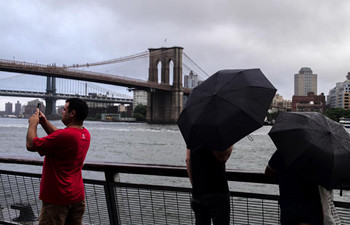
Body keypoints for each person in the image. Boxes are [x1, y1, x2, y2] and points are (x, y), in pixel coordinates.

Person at [26, 98, 91, 225]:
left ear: (72, 113)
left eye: (64, 109)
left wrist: (32, 124)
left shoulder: (64, 136)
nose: (61, 111)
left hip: (57, 199)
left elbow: (31, 145)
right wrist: (44, 123)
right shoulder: (85, 133)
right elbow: (60, 136)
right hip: (77, 197)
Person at [265, 150, 323, 225]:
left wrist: (282, 176)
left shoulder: (282, 151)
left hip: (287, 203)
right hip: (310, 206)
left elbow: (268, 172)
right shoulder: (316, 153)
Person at [186, 145, 233, 225]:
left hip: (198, 193)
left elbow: (188, 160)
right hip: (218, 191)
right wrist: (231, 143)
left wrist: (195, 186)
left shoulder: (193, 136)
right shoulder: (215, 136)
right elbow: (223, 157)